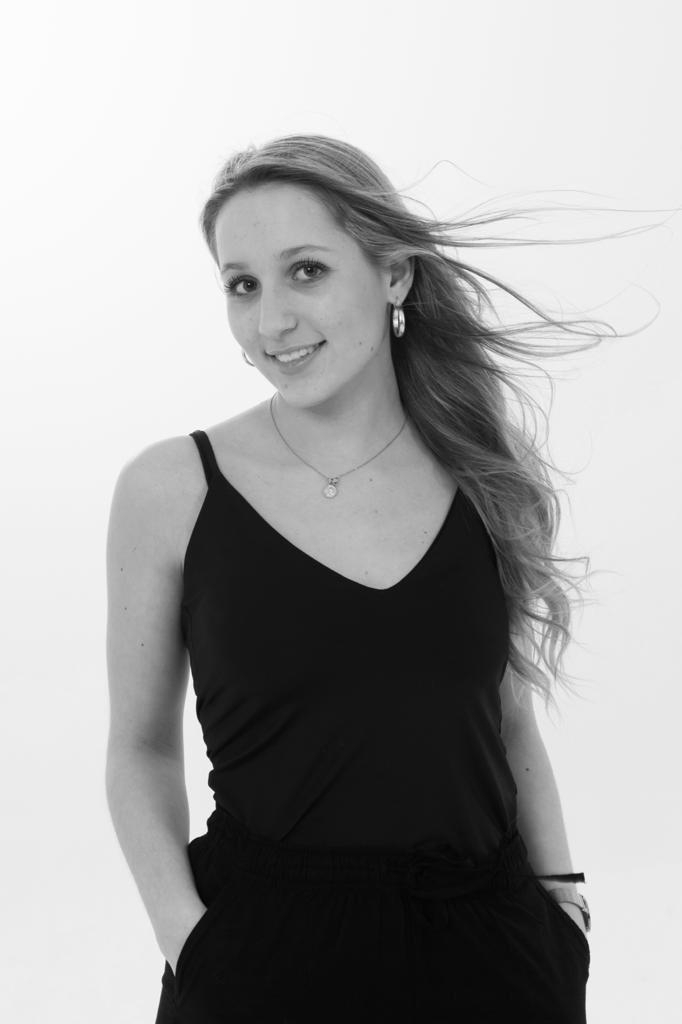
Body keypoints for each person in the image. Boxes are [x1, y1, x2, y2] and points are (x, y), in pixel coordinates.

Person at [105, 134, 603, 1023]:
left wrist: (564, 911)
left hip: (493, 960)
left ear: (395, 275)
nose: (272, 321)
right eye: (242, 284)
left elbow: (507, 721)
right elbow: (140, 747)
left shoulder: (480, 475)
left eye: (306, 271)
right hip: (259, 966)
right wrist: (191, 941)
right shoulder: (172, 489)